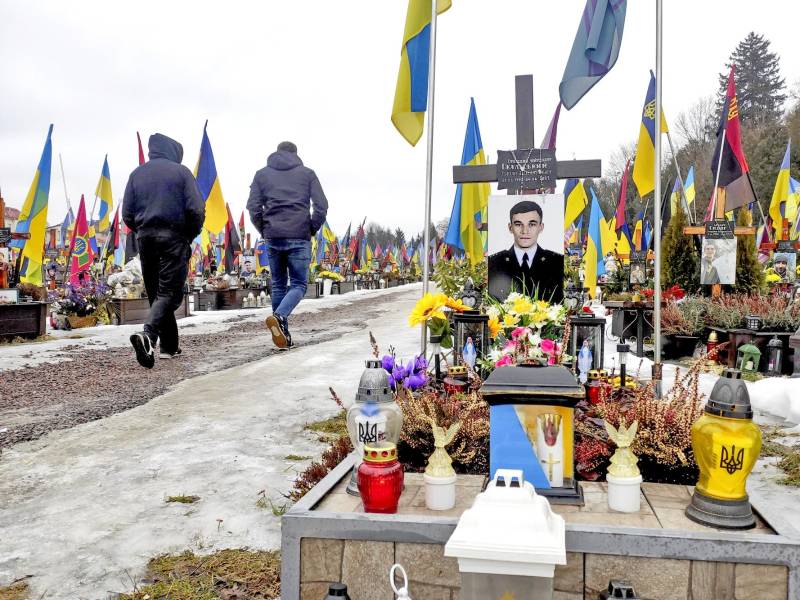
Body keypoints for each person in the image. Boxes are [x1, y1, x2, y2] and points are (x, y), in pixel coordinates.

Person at [122, 133, 205, 368]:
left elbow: (127, 212)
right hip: (174, 237)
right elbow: (197, 209)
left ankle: (169, 347)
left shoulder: (136, 174)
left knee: (157, 293)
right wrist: (188, 234)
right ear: (174, 152)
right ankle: (148, 336)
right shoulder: (181, 173)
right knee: (170, 293)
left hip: (146, 239)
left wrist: (142, 229)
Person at [247, 141, 328, 349]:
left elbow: (253, 207)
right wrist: (310, 228)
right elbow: (321, 206)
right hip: (299, 235)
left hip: (273, 237)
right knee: (299, 284)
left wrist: (264, 229)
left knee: (279, 285)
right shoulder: (307, 174)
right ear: (295, 153)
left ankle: (282, 335)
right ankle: (280, 317)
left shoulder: (261, 175)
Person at [488, 200, 564, 303]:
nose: (525, 231)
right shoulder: (494, 262)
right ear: (510, 228)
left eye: (532, 224)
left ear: (541, 227)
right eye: (518, 224)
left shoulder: (557, 262)